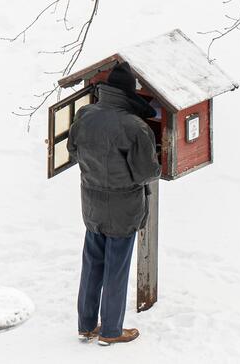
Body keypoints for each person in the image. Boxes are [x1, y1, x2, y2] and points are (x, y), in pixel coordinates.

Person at [67, 62, 161, 345]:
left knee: (92, 263)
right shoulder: (136, 127)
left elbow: (73, 151)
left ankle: (86, 325)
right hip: (124, 207)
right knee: (116, 268)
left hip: (92, 202)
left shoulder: (84, 115)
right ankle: (110, 330)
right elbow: (147, 172)